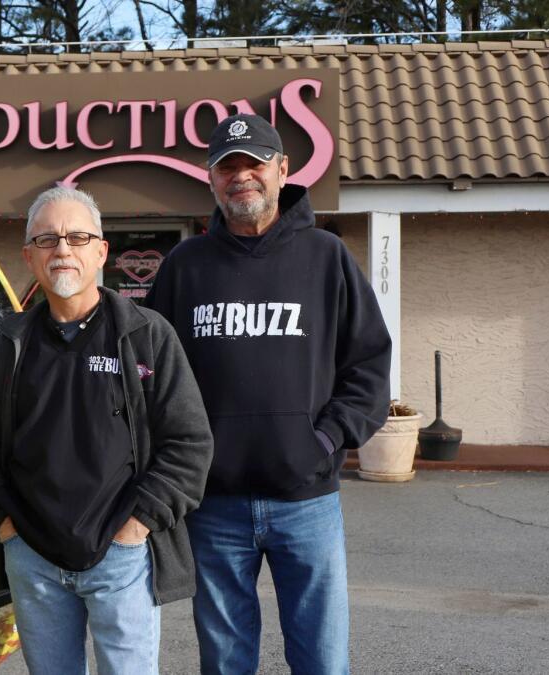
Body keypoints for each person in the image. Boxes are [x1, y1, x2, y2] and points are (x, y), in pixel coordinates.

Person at [145, 113, 392, 674]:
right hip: (214, 506)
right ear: (211, 180)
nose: (241, 177)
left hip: (307, 502)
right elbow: (150, 376)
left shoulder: (326, 259)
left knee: (322, 659)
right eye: (227, 167)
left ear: (282, 170)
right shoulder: (185, 267)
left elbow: (370, 368)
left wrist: (325, 440)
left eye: (253, 164)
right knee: (226, 661)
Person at [0, 186, 214, 675]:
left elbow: (189, 444)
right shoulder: (10, 344)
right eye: (48, 240)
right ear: (29, 256)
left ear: (101, 251)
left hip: (120, 556)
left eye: (77, 238)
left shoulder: (145, 335)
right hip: (32, 558)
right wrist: (7, 527)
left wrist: (136, 526)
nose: (62, 250)